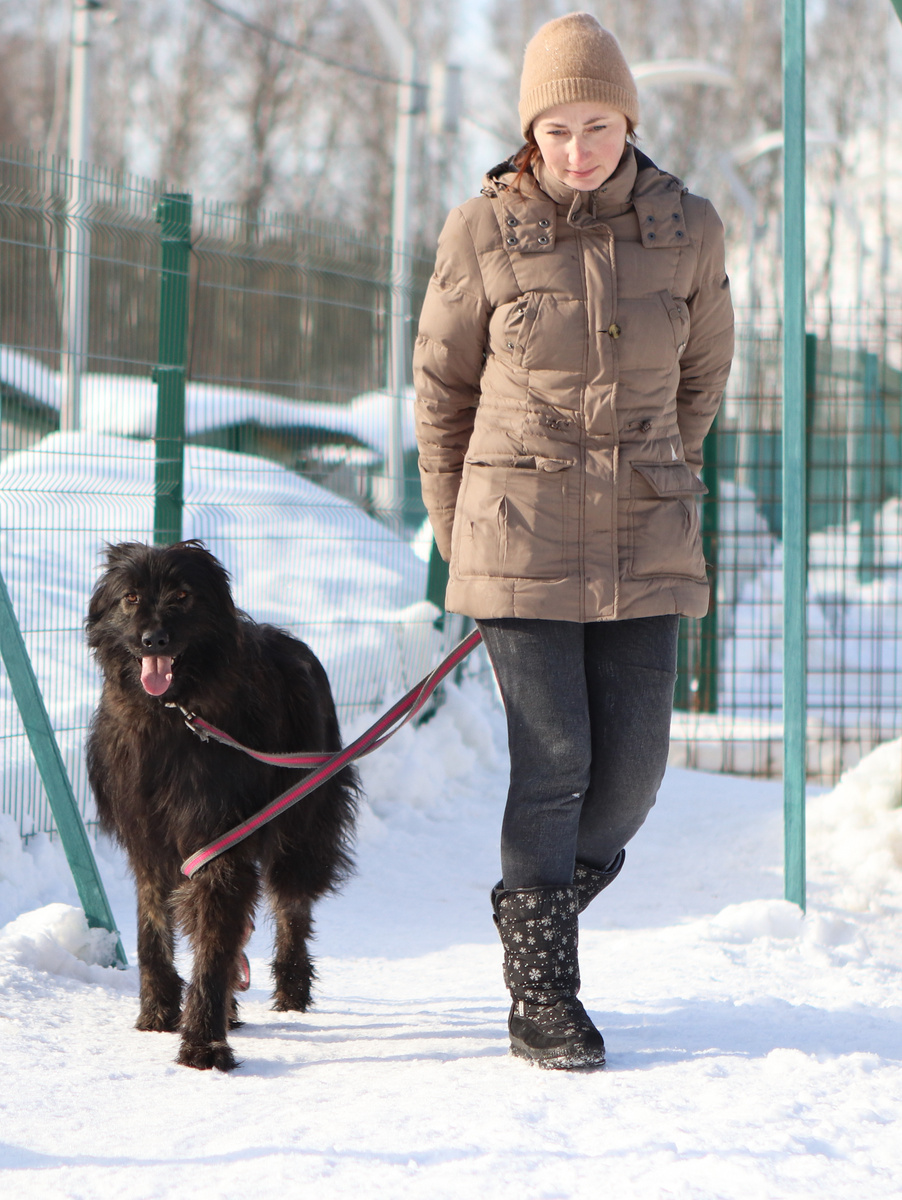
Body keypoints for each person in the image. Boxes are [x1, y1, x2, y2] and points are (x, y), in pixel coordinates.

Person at [413, 12, 734, 1070]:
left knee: (632, 773)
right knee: (552, 761)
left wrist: (653, 463)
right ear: (530, 134)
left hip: (645, 529)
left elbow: (702, 381)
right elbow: (442, 391)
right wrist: (458, 522)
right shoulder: (480, 231)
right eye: (556, 128)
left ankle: (530, 905)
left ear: (626, 120)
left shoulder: (687, 227)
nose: (578, 148)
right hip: (516, 530)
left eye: (597, 124)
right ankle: (542, 995)